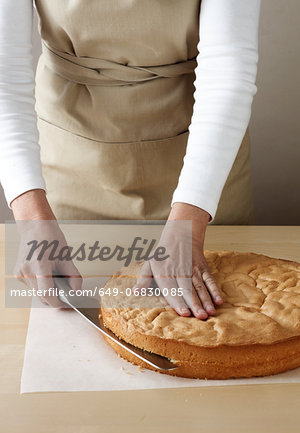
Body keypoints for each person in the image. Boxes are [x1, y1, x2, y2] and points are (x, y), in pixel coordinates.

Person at [0, 0, 261, 319]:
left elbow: (227, 73)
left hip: (201, 165)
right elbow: (4, 79)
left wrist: (190, 224)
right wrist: (31, 218)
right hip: (69, 169)